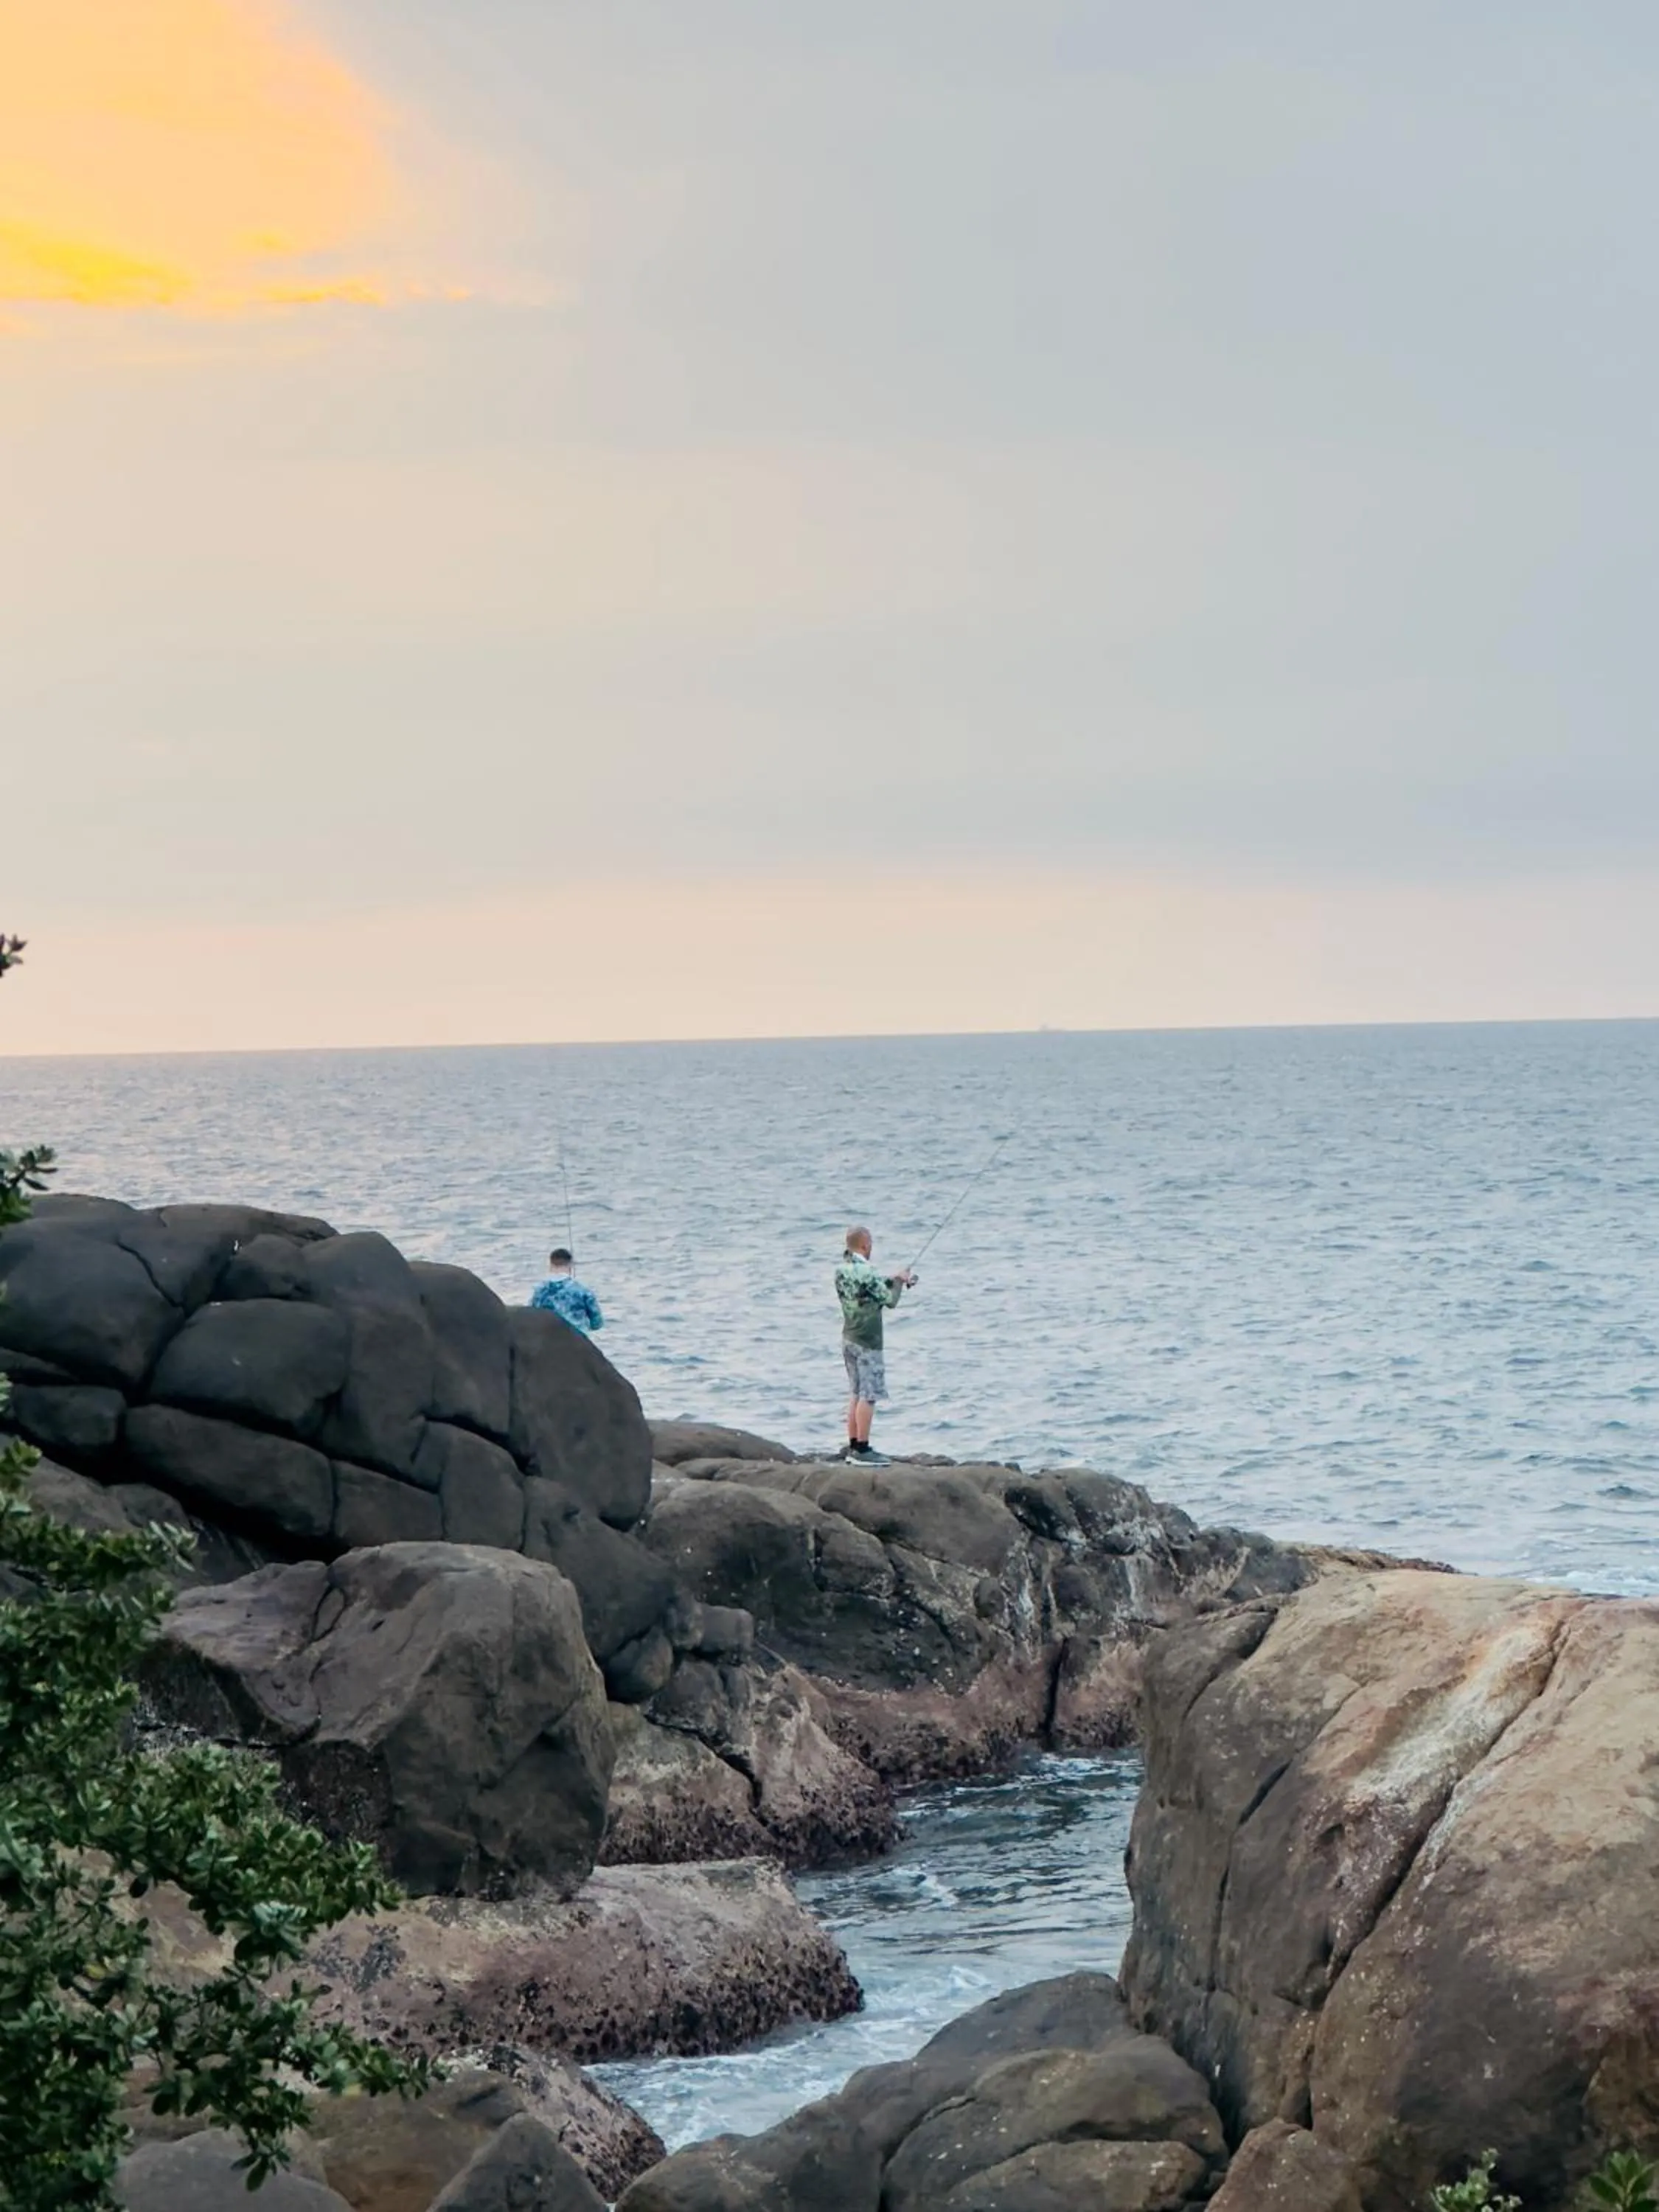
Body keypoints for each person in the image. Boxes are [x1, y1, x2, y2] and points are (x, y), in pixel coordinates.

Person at [835, 1226, 915, 1464]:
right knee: (868, 1396)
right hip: (868, 1342)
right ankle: (863, 1449)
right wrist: (900, 1283)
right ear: (865, 1245)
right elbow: (889, 1301)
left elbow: (865, 1289)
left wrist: (891, 1279)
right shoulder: (868, 1271)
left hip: (848, 1337)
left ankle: (852, 1446)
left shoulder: (841, 1270)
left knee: (855, 1393)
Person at [529, 1247, 604, 1335]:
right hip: (578, 1342)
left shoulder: (539, 1291)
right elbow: (597, 1324)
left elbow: (532, 1320)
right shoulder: (583, 1291)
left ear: (551, 1265)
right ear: (570, 1265)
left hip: (549, 1342)